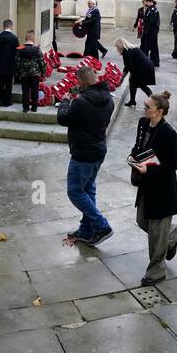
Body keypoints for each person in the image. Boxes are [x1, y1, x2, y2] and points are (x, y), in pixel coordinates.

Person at [129, 91, 177, 286]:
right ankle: (171, 235)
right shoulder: (144, 124)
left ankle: (156, 272)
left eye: (147, 107)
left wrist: (149, 171)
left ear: (159, 112)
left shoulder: (168, 134)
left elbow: (173, 164)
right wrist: (133, 158)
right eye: (144, 105)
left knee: (155, 237)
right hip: (146, 186)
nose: (144, 109)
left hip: (162, 190)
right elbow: (139, 146)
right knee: (143, 221)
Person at [57, 66, 115, 246]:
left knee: (74, 191)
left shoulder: (81, 102)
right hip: (98, 150)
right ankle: (86, 230)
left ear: (81, 82)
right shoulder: (108, 99)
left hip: (83, 153)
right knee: (88, 190)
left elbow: (63, 118)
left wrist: (66, 101)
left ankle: (102, 226)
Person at [116, 36, 156, 108]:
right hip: (147, 66)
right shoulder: (131, 48)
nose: (117, 49)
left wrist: (121, 79)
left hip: (143, 68)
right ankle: (133, 101)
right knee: (136, 83)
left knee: (139, 84)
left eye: (117, 47)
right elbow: (128, 66)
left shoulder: (126, 52)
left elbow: (128, 67)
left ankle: (153, 101)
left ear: (120, 46)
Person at [0, 20, 19, 107]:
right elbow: (17, 51)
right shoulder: (14, 38)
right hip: (10, 64)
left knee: (1, 83)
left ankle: (1, 99)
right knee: (8, 83)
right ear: (12, 27)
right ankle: (8, 101)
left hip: (0, 64)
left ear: (3, 26)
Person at [16, 31, 45, 113]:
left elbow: (17, 62)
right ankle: (34, 107)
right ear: (33, 39)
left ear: (25, 39)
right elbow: (41, 62)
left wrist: (19, 73)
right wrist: (43, 73)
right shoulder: (37, 49)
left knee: (25, 91)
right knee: (34, 90)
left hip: (24, 74)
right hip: (35, 74)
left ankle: (25, 108)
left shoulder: (20, 49)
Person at [140, 0, 161, 67]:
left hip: (151, 32)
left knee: (152, 47)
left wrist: (145, 23)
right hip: (149, 31)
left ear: (151, 2)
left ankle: (154, 61)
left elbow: (151, 22)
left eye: (147, 2)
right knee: (151, 47)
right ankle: (152, 61)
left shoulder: (153, 10)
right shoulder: (149, 9)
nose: (146, 3)